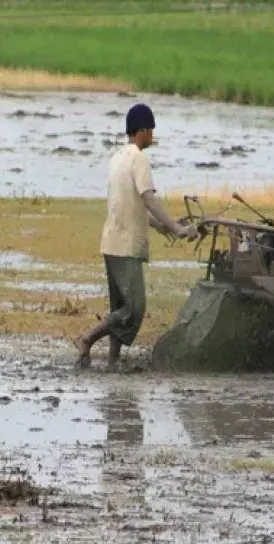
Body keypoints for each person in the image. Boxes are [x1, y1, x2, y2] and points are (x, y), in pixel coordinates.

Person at [74, 103, 198, 368]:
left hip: (111, 241)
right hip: (126, 244)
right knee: (134, 308)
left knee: (119, 307)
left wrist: (164, 226)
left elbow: (133, 205)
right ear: (142, 130)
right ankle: (87, 339)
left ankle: (113, 360)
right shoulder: (139, 159)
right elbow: (148, 199)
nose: (152, 135)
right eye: (151, 130)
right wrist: (178, 229)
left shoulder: (118, 157)